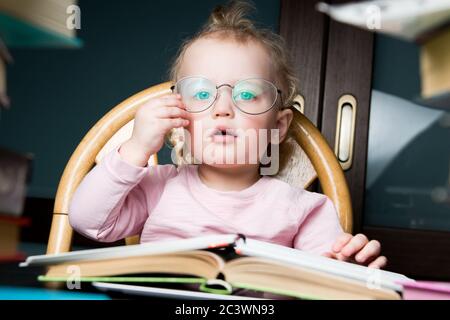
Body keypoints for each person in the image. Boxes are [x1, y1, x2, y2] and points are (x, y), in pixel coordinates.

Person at [69, 0, 386, 269]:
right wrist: (136, 149)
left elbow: (325, 277)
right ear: (181, 120)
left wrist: (346, 267)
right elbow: (87, 220)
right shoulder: (158, 187)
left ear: (277, 127)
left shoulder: (304, 209)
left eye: (247, 95)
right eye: (201, 93)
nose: (223, 108)